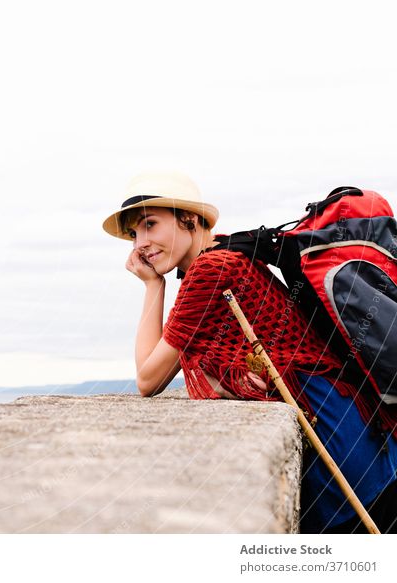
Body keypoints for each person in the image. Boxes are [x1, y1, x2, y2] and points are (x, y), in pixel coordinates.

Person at [102, 170, 397, 533]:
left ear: (189, 220)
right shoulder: (227, 251)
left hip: (337, 437)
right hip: (352, 423)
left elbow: (148, 380)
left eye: (150, 224)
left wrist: (152, 285)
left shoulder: (211, 270)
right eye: (134, 234)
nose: (140, 244)